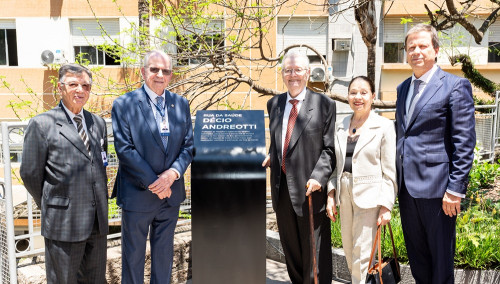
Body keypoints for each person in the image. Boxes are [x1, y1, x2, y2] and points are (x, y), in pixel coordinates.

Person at [395, 24, 476, 283]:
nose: (416, 51)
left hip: (439, 193)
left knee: (441, 266)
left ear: (436, 50)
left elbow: (464, 142)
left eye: (422, 46)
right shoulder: (402, 89)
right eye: (411, 47)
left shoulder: (454, 86)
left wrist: (455, 190)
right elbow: (403, 136)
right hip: (407, 191)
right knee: (418, 262)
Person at [20, 64, 109, 284]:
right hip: (64, 222)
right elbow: (30, 174)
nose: (80, 90)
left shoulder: (97, 123)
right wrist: (52, 203)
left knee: (96, 280)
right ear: (60, 88)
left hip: (97, 222)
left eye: (86, 85)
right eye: (73, 84)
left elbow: (100, 163)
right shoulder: (42, 124)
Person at [111, 50, 194, 284]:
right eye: (154, 69)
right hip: (138, 196)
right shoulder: (124, 104)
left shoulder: (181, 104)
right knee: (134, 259)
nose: (160, 75)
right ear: (142, 71)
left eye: (165, 71)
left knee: (164, 258)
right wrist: (157, 183)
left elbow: (188, 146)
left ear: (171, 75)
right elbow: (125, 149)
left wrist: (172, 175)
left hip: (171, 196)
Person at [262, 50, 336, 283]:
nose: (292, 75)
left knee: (315, 258)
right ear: (282, 74)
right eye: (287, 70)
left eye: (297, 70)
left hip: (310, 191)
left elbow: (329, 149)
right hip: (282, 191)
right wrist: (271, 156)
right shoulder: (273, 104)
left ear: (307, 73)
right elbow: (281, 141)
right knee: (292, 254)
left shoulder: (324, 104)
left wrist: (318, 177)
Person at [326, 76, 397, 284]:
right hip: (344, 195)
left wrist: (386, 205)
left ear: (373, 96)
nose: (358, 97)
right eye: (353, 92)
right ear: (347, 96)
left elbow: (389, 171)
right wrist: (331, 193)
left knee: (363, 255)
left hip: (370, 198)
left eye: (364, 92)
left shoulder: (383, 126)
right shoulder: (340, 125)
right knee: (349, 251)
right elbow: (334, 166)